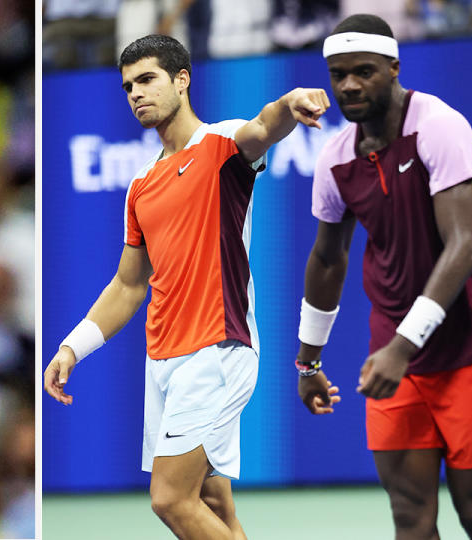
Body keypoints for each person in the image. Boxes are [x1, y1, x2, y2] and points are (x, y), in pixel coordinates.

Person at [43, 34, 329, 539]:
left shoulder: (221, 145)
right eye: (128, 85)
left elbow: (265, 125)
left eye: (148, 80)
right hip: (164, 361)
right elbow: (129, 285)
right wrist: (72, 347)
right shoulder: (140, 185)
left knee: (171, 498)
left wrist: (290, 101)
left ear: (182, 80)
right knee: (213, 505)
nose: (135, 93)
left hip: (216, 351)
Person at [297, 14, 472, 540]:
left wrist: (403, 345)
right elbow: (329, 259)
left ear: (394, 68)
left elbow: (462, 246)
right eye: (339, 74)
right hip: (395, 354)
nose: (349, 85)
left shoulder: (438, 125)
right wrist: (308, 361)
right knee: (410, 516)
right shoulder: (334, 158)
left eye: (364, 71)